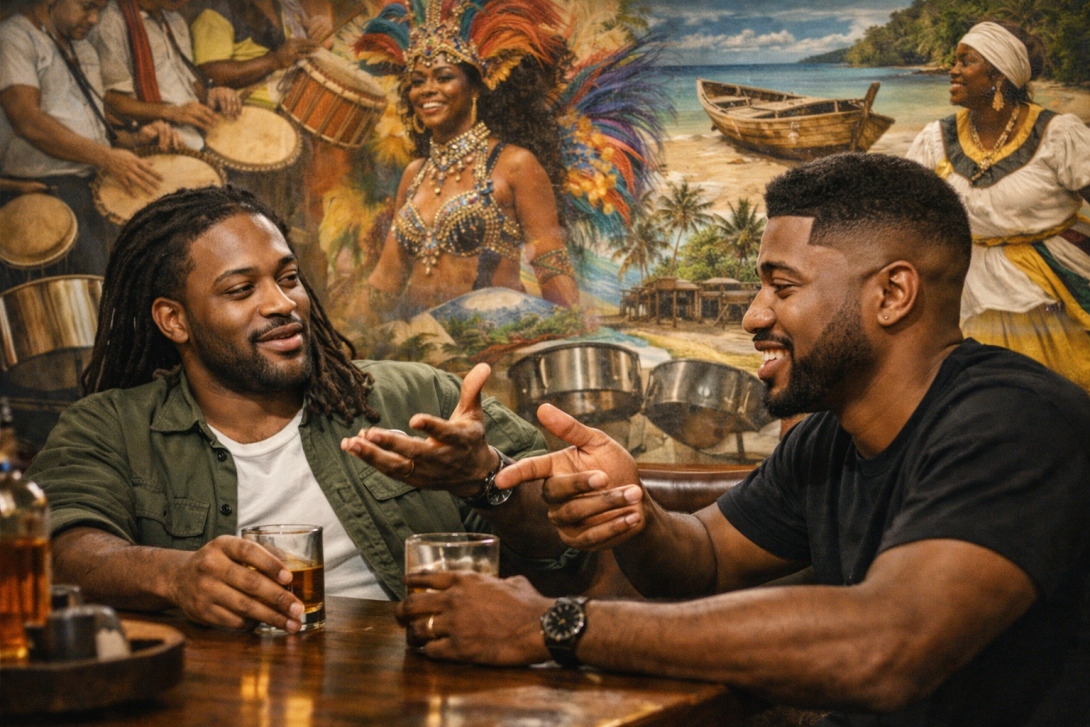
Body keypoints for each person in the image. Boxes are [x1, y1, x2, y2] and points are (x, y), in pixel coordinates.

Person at [395, 154, 1090, 726]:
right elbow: (699, 559)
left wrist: (552, 624)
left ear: (894, 293)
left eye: (781, 287)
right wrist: (632, 508)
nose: (754, 315)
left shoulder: (1017, 420)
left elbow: (887, 644)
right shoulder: (827, 438)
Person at [25, 184, 585, 633]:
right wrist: (177, 577)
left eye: (288, 279)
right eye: (241, 290)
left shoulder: (419, 399)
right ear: (174, 320)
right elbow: (60, 547)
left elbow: (569, 544)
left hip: (425, 688)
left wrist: (483, 479)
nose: (282, 303)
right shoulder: (111, 427)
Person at [356, 0, 580, 318]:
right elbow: (386, 279)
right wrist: (345, 337)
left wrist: (571, 336)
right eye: (417, 81)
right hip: (423, 345)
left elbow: (551, 267)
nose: (427, 90)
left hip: (495, 343)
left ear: (475, 87)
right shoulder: (414, 174)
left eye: (443, 77)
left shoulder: (516, 165)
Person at [906, 20, 1090, 391]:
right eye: (955, 60)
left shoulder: (1058, 133)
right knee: (991, 402)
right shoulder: (935, 139)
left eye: (965, 61)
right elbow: (904, 216)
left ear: (1000, 74)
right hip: (969, 289)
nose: (952, 70)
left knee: (1064, 396)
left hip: (1052, 290)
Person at [0, 0, 178, 288]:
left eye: (100, 10)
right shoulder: (14, 37)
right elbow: (26, 120)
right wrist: (107, 157)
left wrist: (137, 137)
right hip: (40, 190)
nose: (94, 19)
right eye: (86, 7)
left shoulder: (82, 47)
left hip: (89, 182)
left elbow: (97, 132)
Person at [89, 0, 242, 152]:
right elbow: (110, 103)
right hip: (157, 144)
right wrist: (172, 112)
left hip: (198, 134)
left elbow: (189, 83)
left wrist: (211, 95)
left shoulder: (174, 20)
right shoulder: (111, 24)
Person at [188, 0, 325, 110]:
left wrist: (321, 28)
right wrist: (274, 60)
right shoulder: (215, 9)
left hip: (295, 107)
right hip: (247, 114)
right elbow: (212, 73)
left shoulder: (287, 5)